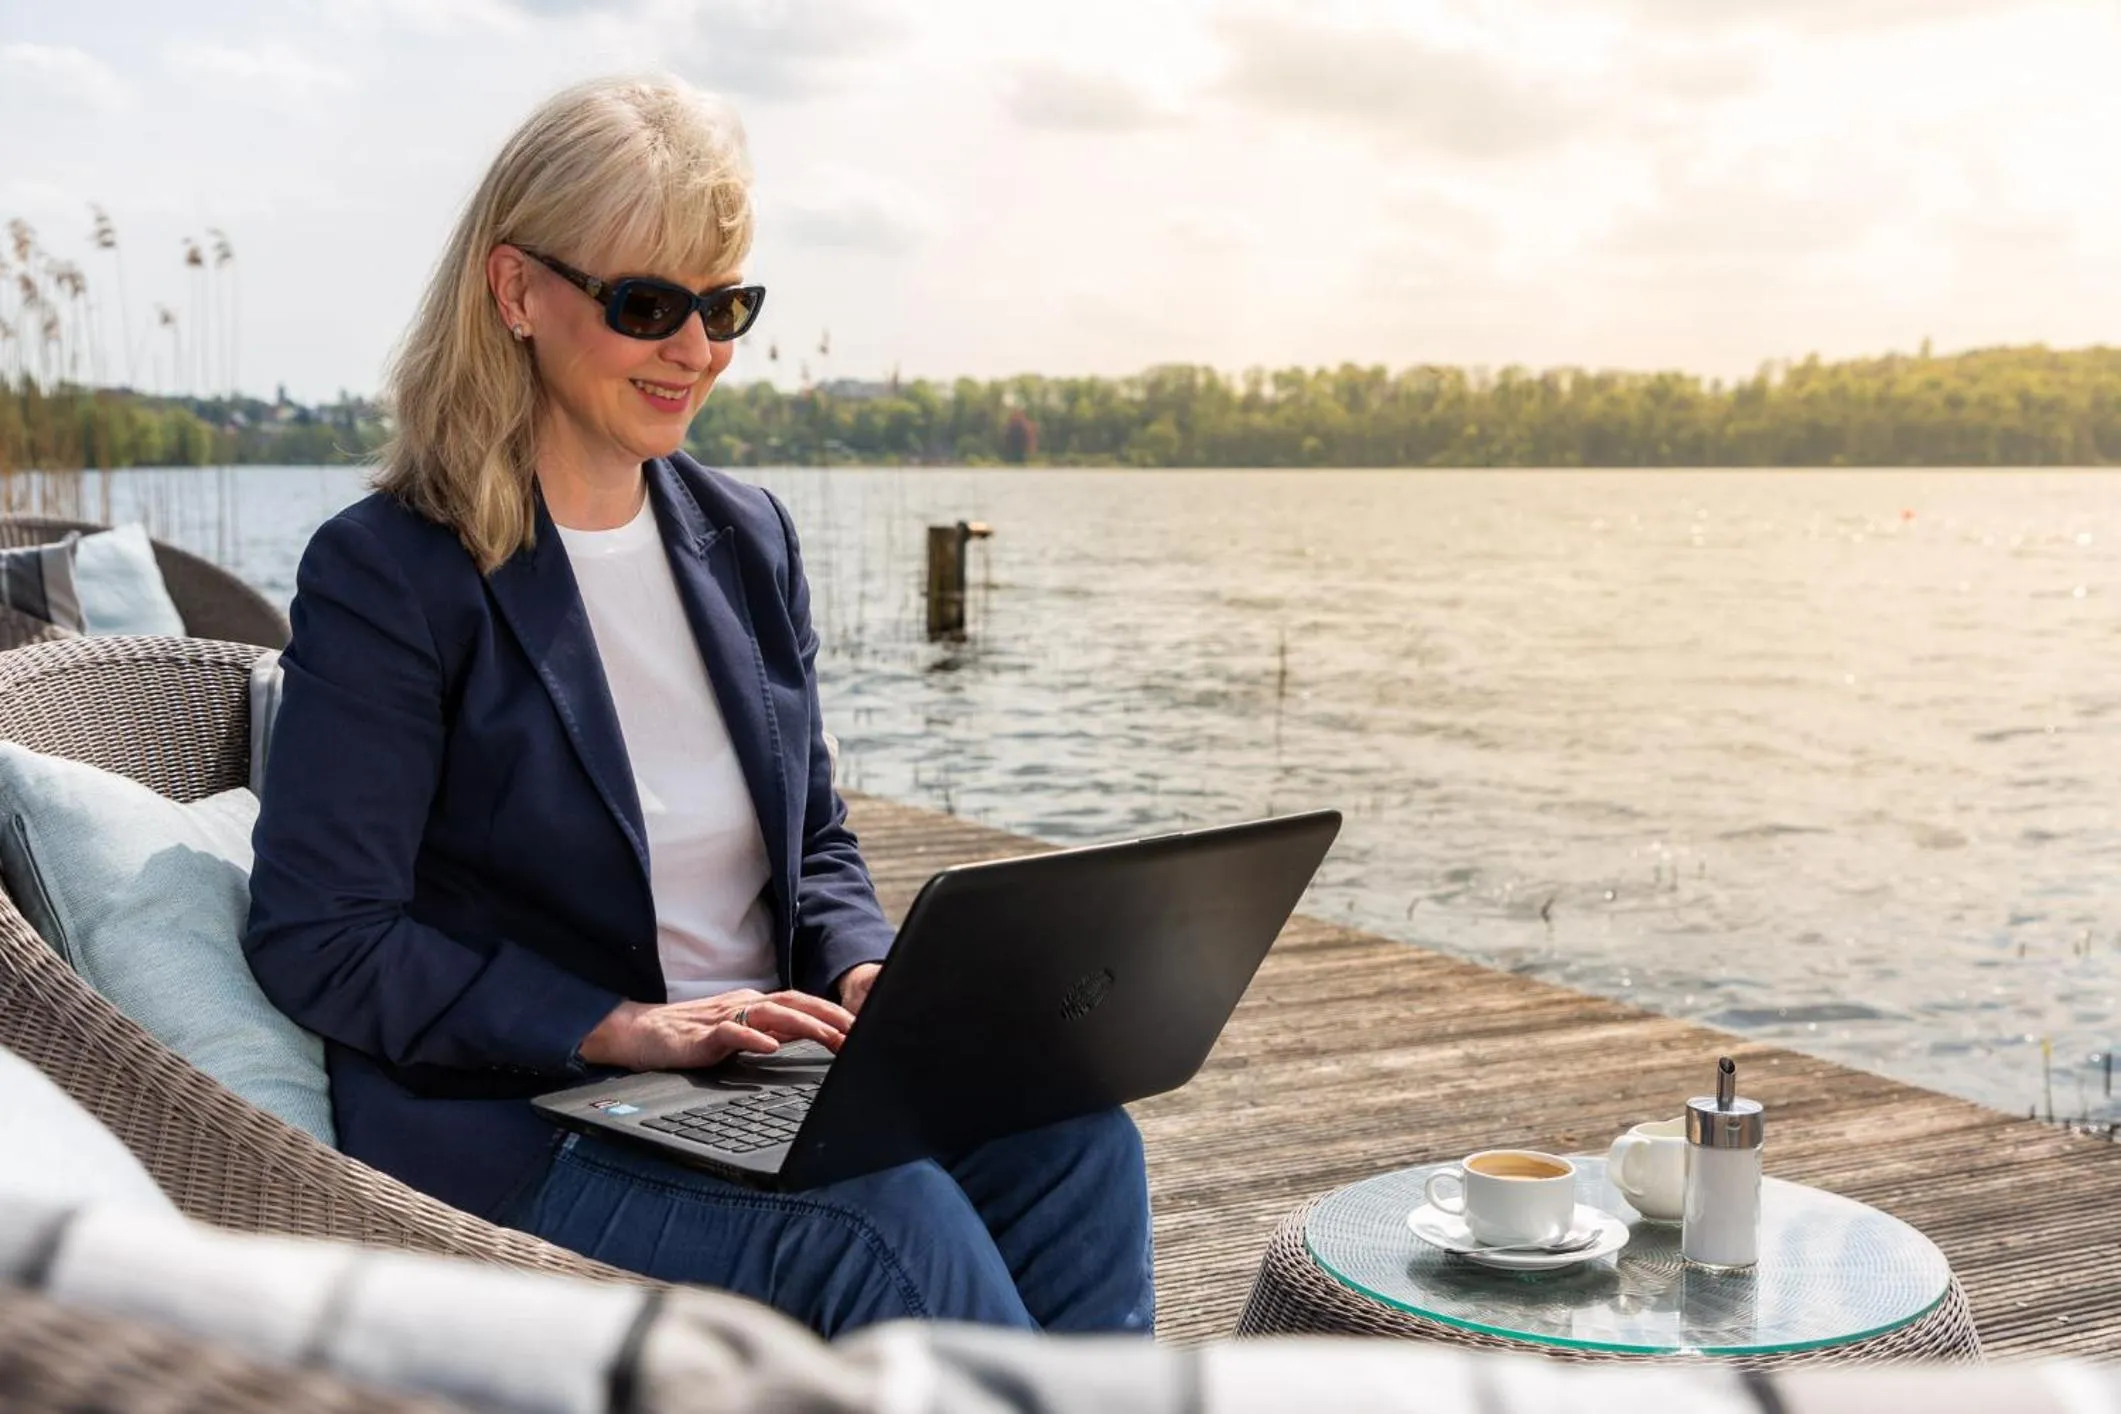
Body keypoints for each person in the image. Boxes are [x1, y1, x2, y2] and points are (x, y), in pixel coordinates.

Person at [243, 73, 1154, 1339]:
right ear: (516, 293)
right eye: (648, 304)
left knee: (1076, 1140)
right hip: (525, 1115)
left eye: (725, 304)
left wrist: (866, 963)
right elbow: (322, 935)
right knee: (885, 1222)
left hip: (763, 1078)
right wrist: (620, 1029)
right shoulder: (392, 573)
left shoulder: (744, 535)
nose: (698, 351)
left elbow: (816, 836)